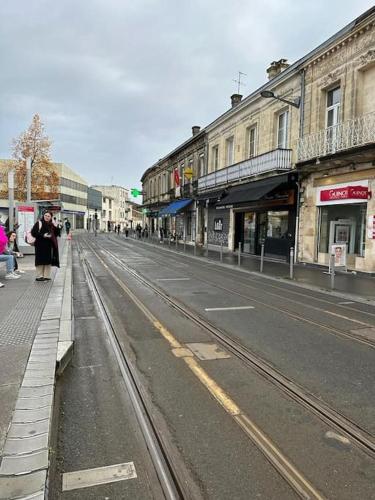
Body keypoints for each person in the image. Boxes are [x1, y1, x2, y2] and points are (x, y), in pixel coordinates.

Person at [31, 211, 60, 281]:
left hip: (49, 245)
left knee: (48, 260)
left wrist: (56, 226)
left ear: (51, 217)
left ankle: (47, 275)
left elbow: (56, 234)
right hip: (40, 245)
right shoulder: (39, 223)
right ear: (43, 216)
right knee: (40, 260)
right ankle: (39, 276)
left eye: (48, 216)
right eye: (45, 215)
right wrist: (43, 235)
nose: (46, 217)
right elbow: (33, 233)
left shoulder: (52, 225)